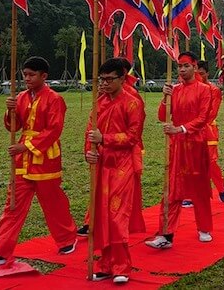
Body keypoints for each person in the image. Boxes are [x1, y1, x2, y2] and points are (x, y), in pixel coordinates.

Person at [0, 57, 77, 267]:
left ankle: (67, 238)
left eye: (31, 75)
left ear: (43, 76)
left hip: (45, 157)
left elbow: (54, 130)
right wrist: (9, 110)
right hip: (22, 158)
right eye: (24, 74)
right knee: (13, 204)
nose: (27, 78)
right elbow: (14, 126)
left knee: (52, 201)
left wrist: (27, 146)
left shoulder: (55, 99)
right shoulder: (19, 97)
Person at [84, 58, 145, 283]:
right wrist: (89, 152)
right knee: (101, 216)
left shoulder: (132, 103)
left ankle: (122, 266)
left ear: (122, 78)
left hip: (123, 164)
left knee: (117, 216)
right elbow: (90, 133)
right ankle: (105, 263)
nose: (106, 84)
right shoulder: (98, 103)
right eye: (102, 80)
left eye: (110, 79)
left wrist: (105, 139)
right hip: (102, 164)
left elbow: (133, 137)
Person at [146, 52, 213, 249]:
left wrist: (181, 129)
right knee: (171, 189)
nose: (182, 69)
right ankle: (166, 234)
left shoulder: (204, 90)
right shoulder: (174, 90)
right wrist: (165, 97)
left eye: (186, 66)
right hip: (177, 147)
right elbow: (162, 115)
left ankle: (204, 228)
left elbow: (203, 118)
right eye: (179, 66)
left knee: (199, 189)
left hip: (196, 145)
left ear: (194, 67)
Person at [197, 60, 224, 202]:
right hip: (191, 131)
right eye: (196, 73)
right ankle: (193, 194)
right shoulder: (188, 88)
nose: (198, 76)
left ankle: (221, 186)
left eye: (201, 73)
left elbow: (212, 113)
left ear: (207, 73)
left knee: (210, 162)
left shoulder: (214, 90)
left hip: (208, 128)